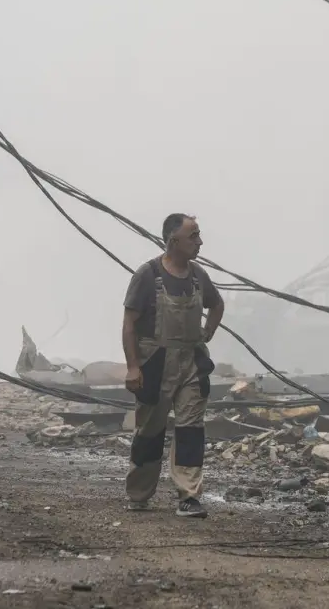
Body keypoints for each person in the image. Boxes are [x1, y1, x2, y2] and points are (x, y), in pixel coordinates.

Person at [121, 213, 223, 518]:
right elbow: (129, 324)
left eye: (199, 235)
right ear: (173, 240)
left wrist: (208, 333)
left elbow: (216, 304)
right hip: (155, 364)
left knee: (191, 429)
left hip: (191, 363)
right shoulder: (147, 275)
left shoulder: (198, 276)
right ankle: (139, 494)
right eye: (193, 236)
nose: (200, 242)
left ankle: (189, 496)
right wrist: (132, 367)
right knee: (150, 431)